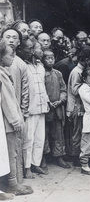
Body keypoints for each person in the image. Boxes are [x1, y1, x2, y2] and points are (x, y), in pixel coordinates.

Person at [0, 42, 33, 196]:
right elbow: (7, 99)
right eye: (10, 55)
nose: (13, 57)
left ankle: (11, 183)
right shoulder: (1, 75)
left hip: (7, 120)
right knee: (10, 152)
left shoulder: (3, 72)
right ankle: (12, 183)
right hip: (8, 122)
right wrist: (16, 120)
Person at [66, 46, 90, 166]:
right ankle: (75, 158)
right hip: (76, 108)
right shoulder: (76, 72)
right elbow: (75, 90)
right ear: (85, 60)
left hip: (81, 107)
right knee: (78, 134)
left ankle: (82, 156)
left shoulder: (83, 71)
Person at [23, 42, 50, 178]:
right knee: (29, 139)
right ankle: (27, 167)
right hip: (30, 108)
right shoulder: (25, 67)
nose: (42, 52)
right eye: (40, 49)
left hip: (42, 107)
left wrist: (46, 101)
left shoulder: (41, 67)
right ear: (33, 50)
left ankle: (36, 164)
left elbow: (43, 87)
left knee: (40, 138)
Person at [42, 49, 71, 169]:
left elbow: (64, 89)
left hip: (58, 109)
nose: (50, 60)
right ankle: (43, 158)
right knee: (44, 134)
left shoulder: (58, 74)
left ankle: (59, 156)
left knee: (58, 134)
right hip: (46, 109)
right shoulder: (41, 74)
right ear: (42, 60)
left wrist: (60, 100)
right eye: (47, 58)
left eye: (52, 58)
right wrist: (48, 102)